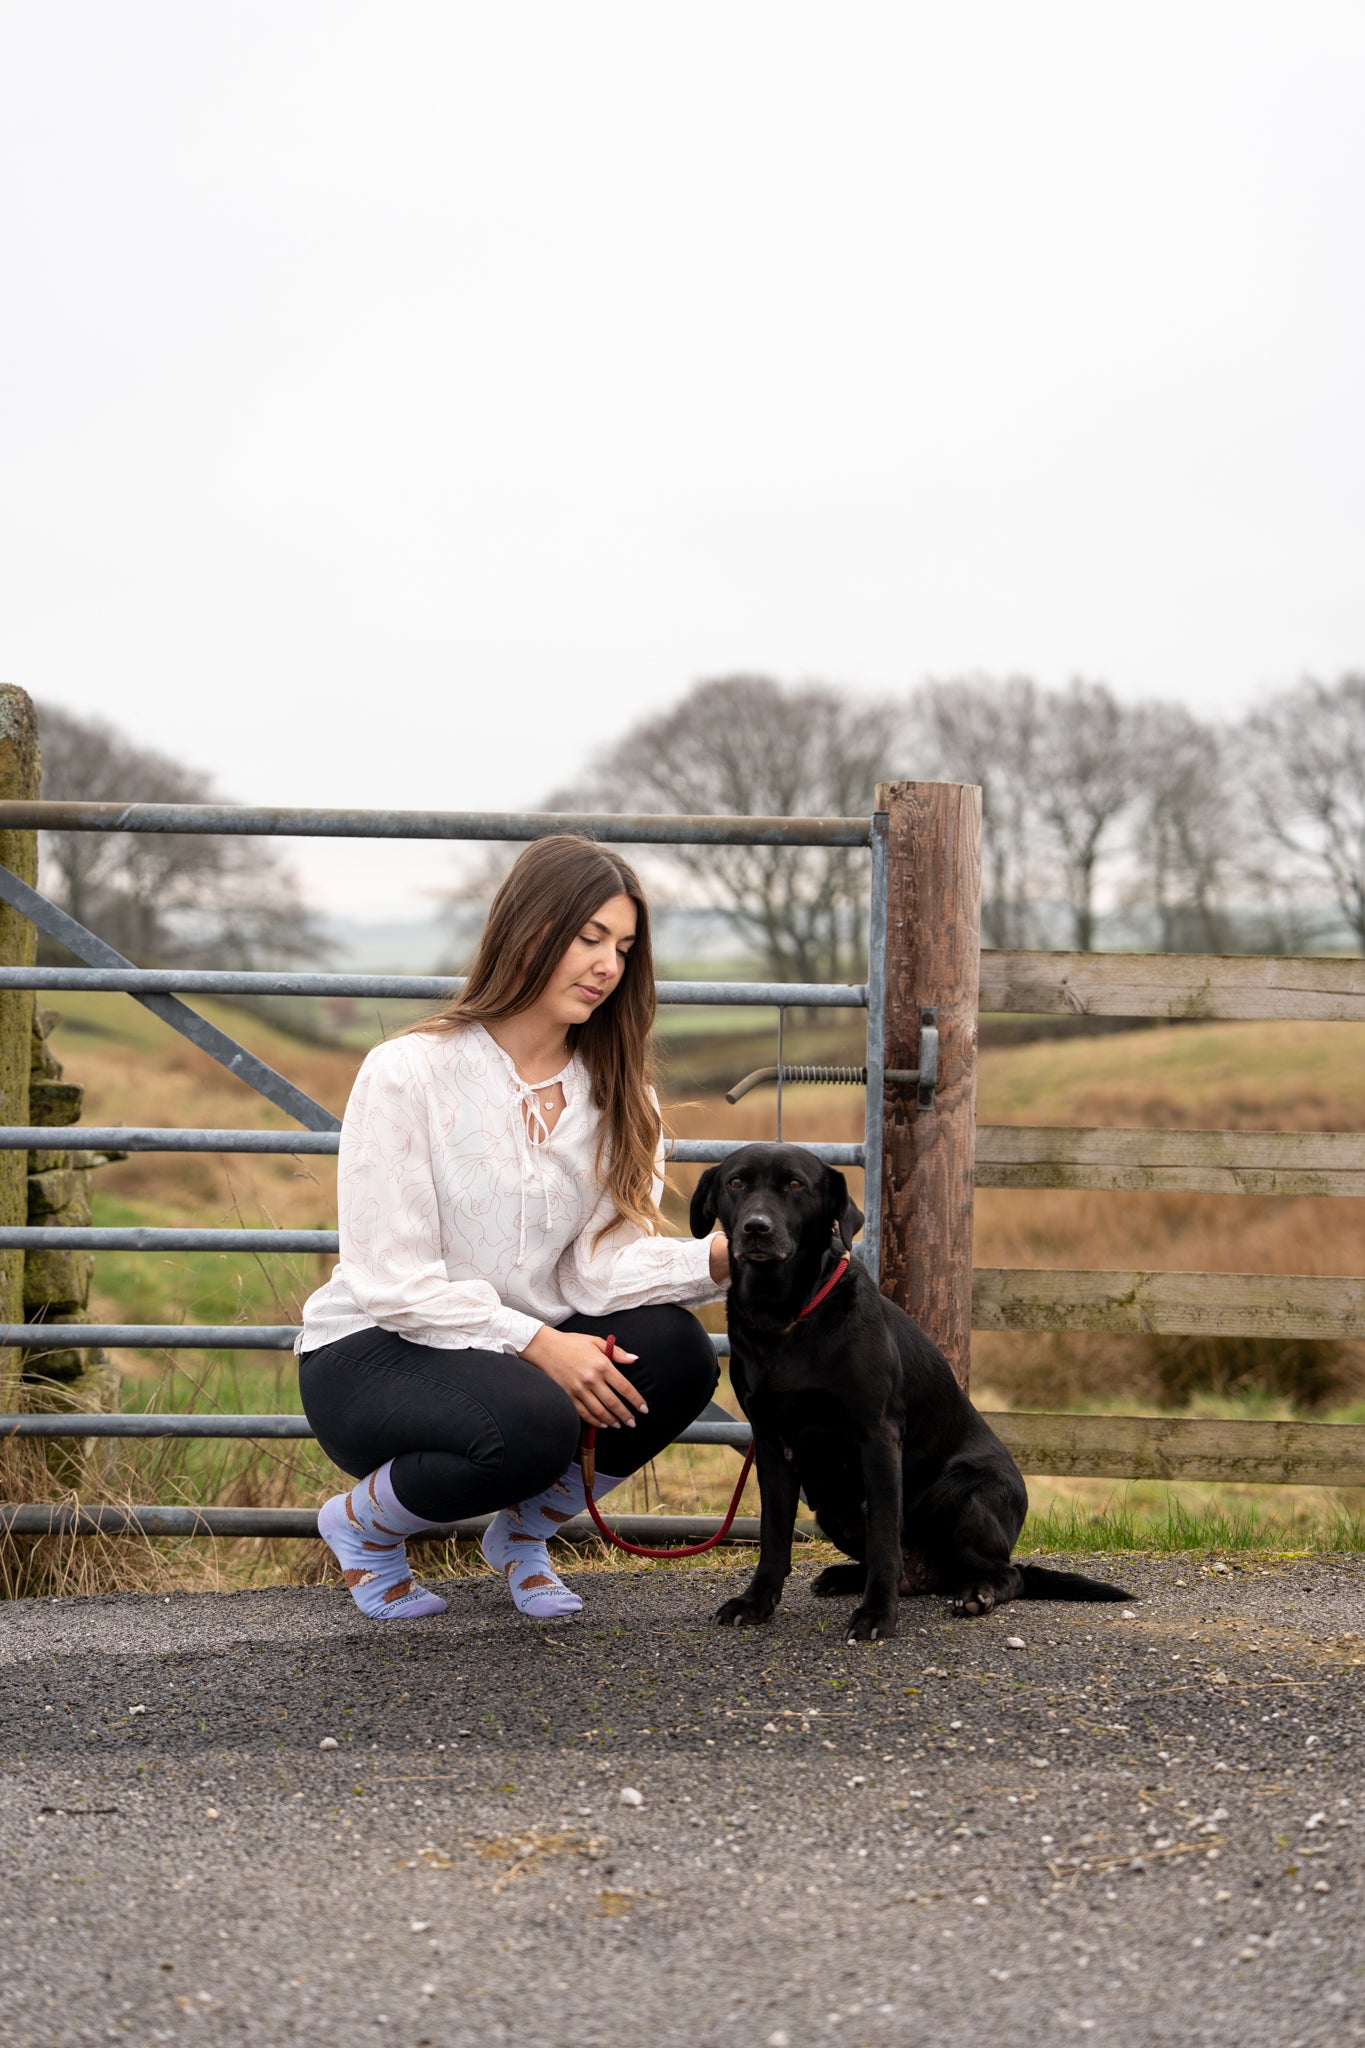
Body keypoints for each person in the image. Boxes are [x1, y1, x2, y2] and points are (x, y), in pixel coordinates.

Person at [296, 834, 730, 1622]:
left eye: (624, 948)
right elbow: (392, 1280)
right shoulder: (409, 1072)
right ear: (528, 930)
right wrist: (536, 1344)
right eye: (588, 937)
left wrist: (720, 1261)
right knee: (534, 1421)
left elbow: (597, 1271)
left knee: (676, 1353)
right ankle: (358, 1527)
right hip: (374, 1350)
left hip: (513, 1355)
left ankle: (523, 1535)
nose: (607, 965)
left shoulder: (623, 1101)